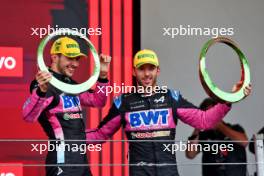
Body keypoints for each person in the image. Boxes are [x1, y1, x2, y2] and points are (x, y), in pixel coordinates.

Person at [86, 49, 252, 176]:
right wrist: (65, 136)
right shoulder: (123, 102)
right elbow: (100, 134)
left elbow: (204, 120)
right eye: (141, 69)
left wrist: (230, 99)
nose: (146, 74)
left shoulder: (171, 98)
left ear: (157, 71)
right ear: (133, 71)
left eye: (150, 68)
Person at [22, 36, 111, 176]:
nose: (75, 64)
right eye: (70, 58)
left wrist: (103, 77)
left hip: (81, 160)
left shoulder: (70, 84)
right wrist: (41, 91)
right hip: (61, 159)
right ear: (55, 57)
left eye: (77, 59)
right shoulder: (43, 83)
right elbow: (28, 116)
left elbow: (97, 101)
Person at [185, 98, 248, 176]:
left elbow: (244, 142)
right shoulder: (204, 135)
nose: (211, 117)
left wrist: (219, 125)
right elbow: (190, 154)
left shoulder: (235, 128)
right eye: (207, 114)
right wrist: (198, 126)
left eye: (213, 113)